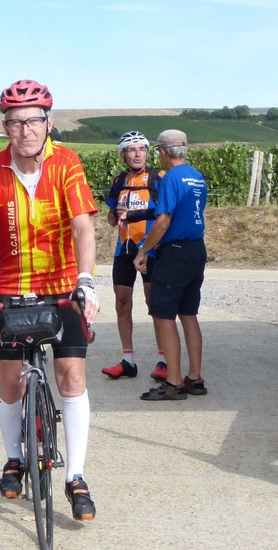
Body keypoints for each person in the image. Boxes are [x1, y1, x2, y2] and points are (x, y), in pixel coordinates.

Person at [0, 79, 101, 522]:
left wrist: (86, 281)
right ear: (5, 127)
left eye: (34, 120)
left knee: (71, 375)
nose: (26, 130)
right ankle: (14, 458)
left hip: (64, 285)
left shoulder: (67, 163)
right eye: (16, 122)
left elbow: (83, 226)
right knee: (11, 378)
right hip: (15, 285)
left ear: (48, 122)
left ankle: (75, 476)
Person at [133, 129, 208, 400]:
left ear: (163, 152)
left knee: (163, 314)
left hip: (175, 251)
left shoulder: (170, 178)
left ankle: (173, 381)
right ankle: (195, 378)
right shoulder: (197, 176)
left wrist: (144, 249)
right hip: (196, 247)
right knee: (188, 313)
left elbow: (163, 220)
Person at [101, 131, 168, 381]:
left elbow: (165, 214)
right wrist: (115, 213)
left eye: (142, 149)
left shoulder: (158, 177)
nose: (138, 154)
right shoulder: (119, 180)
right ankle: (128, 360)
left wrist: (136, 216)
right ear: (123, 155)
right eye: (132, 150)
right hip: (124, 249)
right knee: (122, 302)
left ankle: (164, 360)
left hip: (151, 249)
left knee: (154, 303)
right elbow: (110, 218)